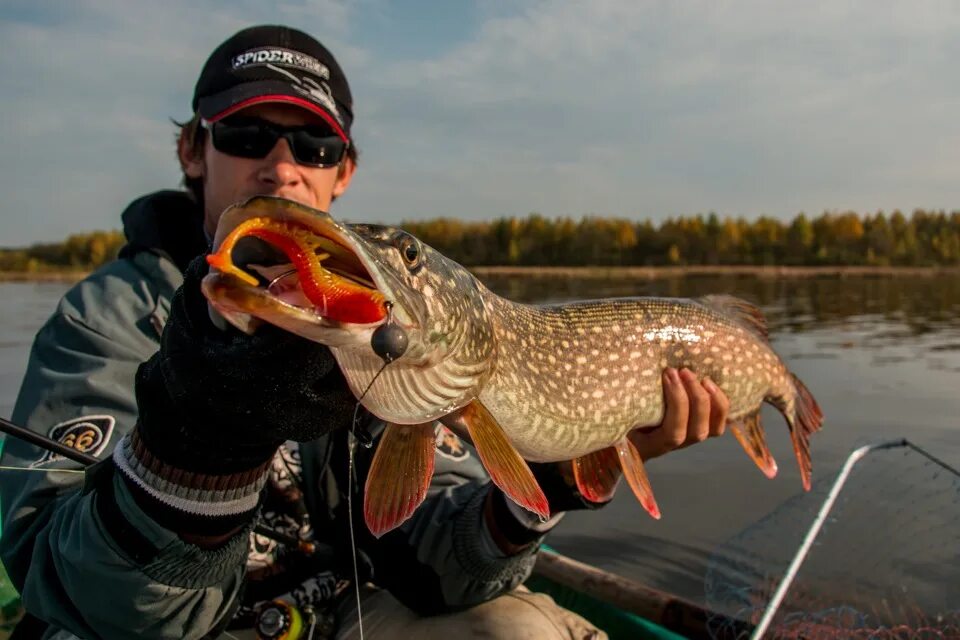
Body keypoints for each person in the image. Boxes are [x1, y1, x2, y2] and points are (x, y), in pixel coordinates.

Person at [0, 25, 729, 640]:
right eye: (248, 135)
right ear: (195, 150)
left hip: (333, 613)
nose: (281, 168)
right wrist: (202, 438)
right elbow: (73, 589)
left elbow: (439, 569)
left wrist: (554, 475)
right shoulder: (103, 321)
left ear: (343, 172)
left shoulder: (392, 327)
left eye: (313, 146)